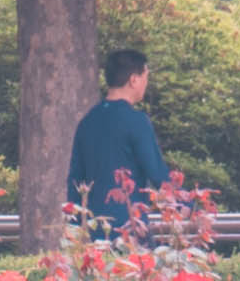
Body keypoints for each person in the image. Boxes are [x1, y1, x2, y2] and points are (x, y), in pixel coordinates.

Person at [63, 45, 168, 233]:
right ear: (134, 80)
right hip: (130, 226)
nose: (146, 83)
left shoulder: (87, 122)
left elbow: (75, 181)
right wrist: (188, 205)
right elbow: (158, 174)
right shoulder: (137, 121)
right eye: (146, 77)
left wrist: (75, 228)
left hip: (94, 229)